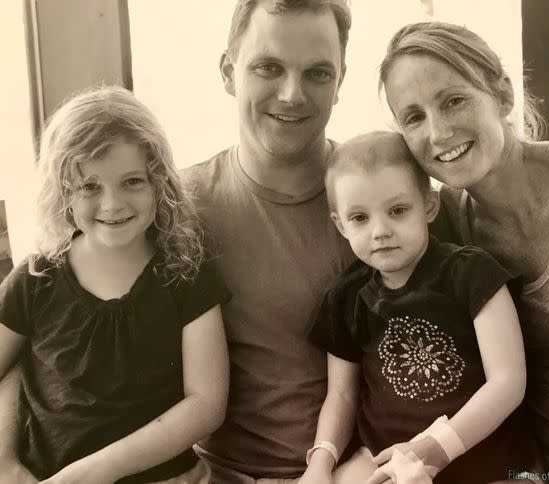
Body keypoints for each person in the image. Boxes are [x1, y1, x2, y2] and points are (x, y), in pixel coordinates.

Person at [379, 21, 549, 483]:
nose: (438, 131)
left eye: (453, 100)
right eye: (413, 117)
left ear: (504, 96)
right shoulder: (446, 221)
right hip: (521, 472)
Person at [0, 86, 230, 483]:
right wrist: (5, 463)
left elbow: (206, 404)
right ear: (63, 191)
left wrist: (93, 473)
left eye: (132, 182)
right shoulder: (36, 278)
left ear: (159, 183)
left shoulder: (185, 273)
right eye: (90, 186)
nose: (112, 204)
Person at [181, 0, 355, 482]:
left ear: (341, 82)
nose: (292, 94)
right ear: (227, 71)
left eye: (318, 73)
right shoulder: (175, 208)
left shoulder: (388, 202)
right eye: (268, 67)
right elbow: (51, 315)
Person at [303, 131, 538, 484]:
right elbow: (341, 395)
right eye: (360, 218)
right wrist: (320, 463)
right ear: (340, 224)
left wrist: (433, 448)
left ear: (429, 206)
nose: (380, 231)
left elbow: (507, 382)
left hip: (487, 459)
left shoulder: (472, 273)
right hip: (386, 460)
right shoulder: (346, 297)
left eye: (398, 211)